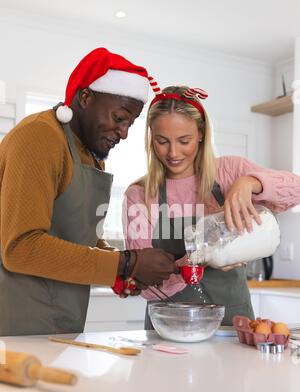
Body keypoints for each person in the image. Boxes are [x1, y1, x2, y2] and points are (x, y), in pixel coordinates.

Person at [0, 48, 176, 336]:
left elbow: (79, 237)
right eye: (119, 118)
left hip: (60, 318)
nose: (124, 132)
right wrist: (126, 263)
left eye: (129, 123)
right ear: (85, 98)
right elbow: (21, 247)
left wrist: (123, 270)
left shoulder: (89, 153)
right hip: (16, 323)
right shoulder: (39, 138)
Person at [123, 84, 300, 327]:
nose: (173, 152)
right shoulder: (140, 196)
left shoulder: (229, 172)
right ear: (151, 138)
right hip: (169, 327)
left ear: (201, 133)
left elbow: (296, 189)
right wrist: (195, 262)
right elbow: (144, 285)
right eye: (162, 141)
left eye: (184, 140)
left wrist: (250, 182)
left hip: (231, 321)